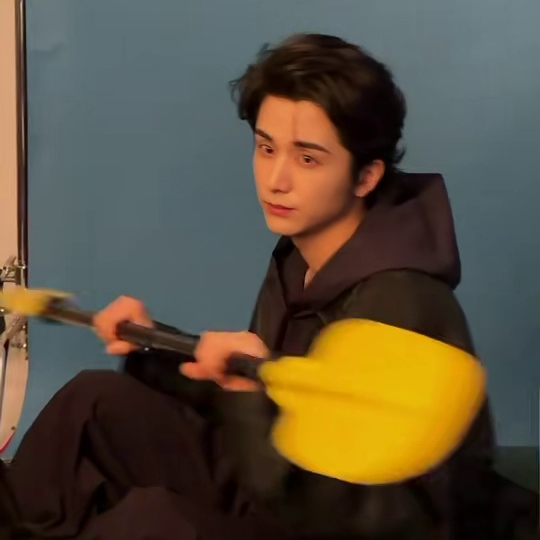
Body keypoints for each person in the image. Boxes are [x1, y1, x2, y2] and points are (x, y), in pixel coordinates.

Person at [0, 33, 502, 540]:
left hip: (334, 523)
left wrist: (246, 396)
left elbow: (375, 519)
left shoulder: (404, 307)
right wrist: (151, 343)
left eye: (308, 158)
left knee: (151, 521)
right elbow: (267, 399)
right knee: (94, 402)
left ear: (365, 176)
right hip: (278, 484)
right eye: (266, 148)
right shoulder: (301, 256)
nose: (276, 179)